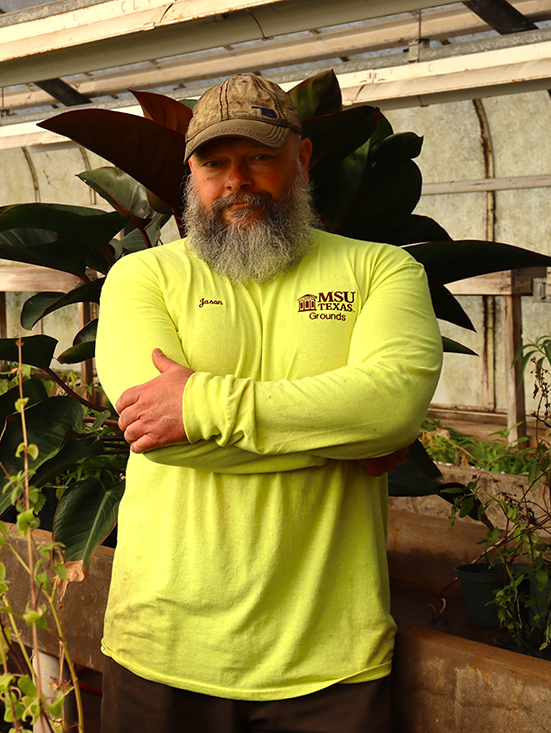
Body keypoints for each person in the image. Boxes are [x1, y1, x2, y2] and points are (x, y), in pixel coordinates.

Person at [94, 74, 443, 733]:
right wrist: (337, 432)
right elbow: (157, 432)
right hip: (161, 648)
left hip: (330, 661)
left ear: (302, 159)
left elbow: (391, 406)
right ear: (191, 173)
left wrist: (196, 407)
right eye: (215, 163)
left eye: (259, 156)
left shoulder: (382, 271)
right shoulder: (143, 277)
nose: (237, 181)